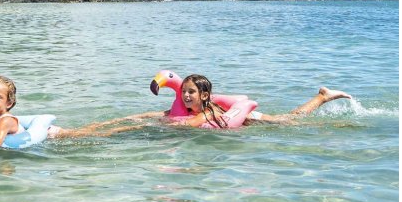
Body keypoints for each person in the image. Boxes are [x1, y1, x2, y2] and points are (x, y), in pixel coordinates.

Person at [51, 73, 352, 137]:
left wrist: (146, 127)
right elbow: (150, 116)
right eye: (184, 92)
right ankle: (79, 131)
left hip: (250, 119)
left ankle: (322, 97)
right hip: (208, 121)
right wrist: (116, 122)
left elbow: (184, 126)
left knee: (289, 121)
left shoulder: (206, 114)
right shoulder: (182, 110)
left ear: (204, 96)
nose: (185, 96)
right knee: (133, 121)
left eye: (191, 93)